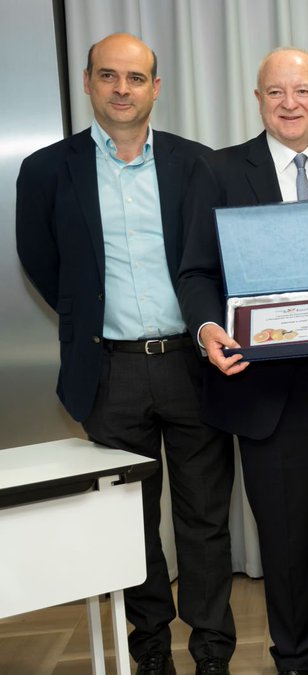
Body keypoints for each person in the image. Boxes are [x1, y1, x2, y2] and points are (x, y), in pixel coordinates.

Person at [15, 32, 236, 675]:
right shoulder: (48, 170)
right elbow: (43, 263)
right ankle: (150, 649)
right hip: (107, 370)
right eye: (108, 76)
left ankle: (212, 648)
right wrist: (90, 319)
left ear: (155, 88)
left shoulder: (198, 165)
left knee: (203, 517)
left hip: (192, 365)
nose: (122, 89)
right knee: (130, 523)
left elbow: (220, 263)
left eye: (135, 78)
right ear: (88, 83)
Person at [176, 48, 308, 675]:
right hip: (264, 386)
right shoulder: (218, 172)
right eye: (276, 92)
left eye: (302, 91)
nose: (290, 103)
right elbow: (195, 272)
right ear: (258, 99)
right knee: (286, 533)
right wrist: (210, 327)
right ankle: (294, 653)